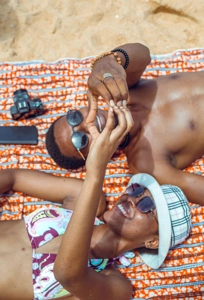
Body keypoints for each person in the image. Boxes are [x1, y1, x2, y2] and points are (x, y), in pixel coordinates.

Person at [0, 106, 191, 300]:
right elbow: (14, 177)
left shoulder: (116, 286)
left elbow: (68, 275)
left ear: (153, 242)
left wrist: (95, 173)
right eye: (137, 191)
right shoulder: (87, 199)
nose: (133, 199)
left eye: (147, 206)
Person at [45, 43, 204, 206]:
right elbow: (194, 187)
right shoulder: (144, 162)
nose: (86, 124)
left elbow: (143, 54)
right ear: (93, 157)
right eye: (80, 139)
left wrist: (108, 62)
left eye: (75, 117)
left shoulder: (123, 90)